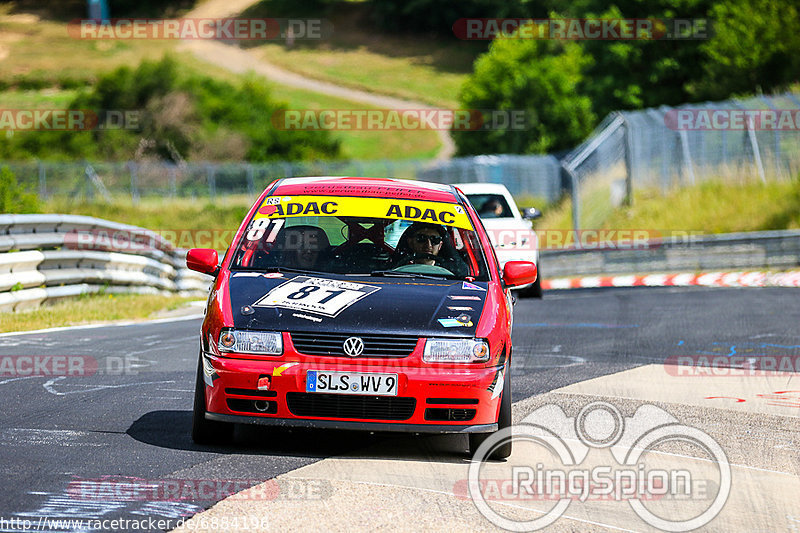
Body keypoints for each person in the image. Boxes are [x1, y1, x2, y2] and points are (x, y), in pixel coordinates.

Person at [391, 222, 468, 276]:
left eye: (435, 240)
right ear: (410, 242)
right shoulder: (393, 271)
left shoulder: (453, 275)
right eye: (421, 238)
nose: (428, 245)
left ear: (440, 245)